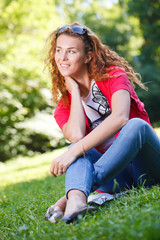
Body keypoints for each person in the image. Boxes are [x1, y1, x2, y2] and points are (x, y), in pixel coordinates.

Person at [44, 23, 160, 223]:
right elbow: (77, 137)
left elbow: (121, 117)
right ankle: (78, 202)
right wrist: (74, 92)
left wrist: (71, 153)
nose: (62, 58)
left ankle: (74, 195)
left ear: (88, 56)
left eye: (71, 51)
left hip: (147, 169)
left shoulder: (113, 75)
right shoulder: (64, 106)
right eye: (59, 50)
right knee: (78, 148)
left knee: (136, 126)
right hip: (117, 180)